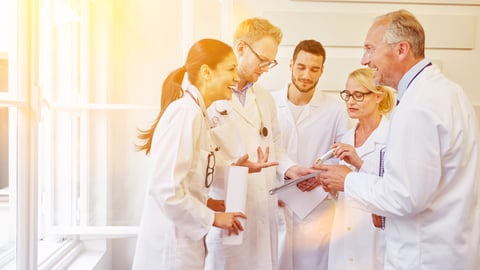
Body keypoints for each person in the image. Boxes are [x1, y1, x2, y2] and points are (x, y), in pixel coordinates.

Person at [316, 9, 480, 270]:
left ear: (401, 49)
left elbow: (405, 197)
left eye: (370, 49)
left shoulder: (418, 105)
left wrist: (347, 180)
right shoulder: (447, 91)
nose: (365, 59)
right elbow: (424, 178)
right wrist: (363, 166)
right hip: (449, 249)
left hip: (424, 257)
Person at [131, 38, 278, 270]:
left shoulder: (197, 114)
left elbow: (190, 173)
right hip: (170, 250)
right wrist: (213, 218)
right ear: (207, 72)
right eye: (230, 69)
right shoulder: (184, 114)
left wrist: (212, 195)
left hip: (185, 245)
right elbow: (167, 190)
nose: (236, 78)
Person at [204, 18, 313, 270]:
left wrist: (290, 169)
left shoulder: (264, 98)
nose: (266, 68)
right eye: (262, 59)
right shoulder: (210, 97)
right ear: (241, 48)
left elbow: (274, 144)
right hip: (228, 206)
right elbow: (200, 159)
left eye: (270, 62)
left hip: (263, 212)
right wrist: (235, 167)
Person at [270, 39, 349, 270]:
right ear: (291, 65)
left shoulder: (335, 110)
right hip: (278, 204)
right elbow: (261, 149)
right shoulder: (268, 103)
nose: (306, 75)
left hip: (317, 209)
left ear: (322, 71)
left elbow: (343, 155)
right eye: (301, 67)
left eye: (314, 69)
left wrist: (321, 176)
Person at [327, 67, 395, 270]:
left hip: (376, 236)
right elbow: (345, 190)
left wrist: (359, 163)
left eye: (358, 95)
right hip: (344, 233)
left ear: (378, 96)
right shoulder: (346, 137)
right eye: (347, 95)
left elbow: (395, 189)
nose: (350, 101)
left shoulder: (392, 136)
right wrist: (330, 185)